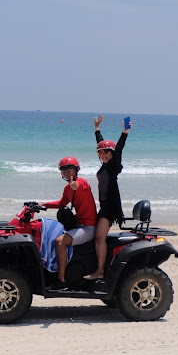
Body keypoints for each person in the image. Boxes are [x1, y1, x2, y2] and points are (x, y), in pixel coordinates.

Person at [84, 114, 132, 281]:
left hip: (110, 207)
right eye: (101, 152)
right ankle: (98, 268)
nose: (104, 155)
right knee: (96, 237)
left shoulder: (113, 167)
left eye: (106, 153)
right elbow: (103, 144)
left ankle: (100, 271)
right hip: (104, 206)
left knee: (99, 238)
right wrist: (97, 129)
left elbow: (117, 149)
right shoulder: (104, 165)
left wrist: (124, 133)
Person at [42, 157, 97, 290]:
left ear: (76, 169)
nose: (65, 171)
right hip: (78, 226)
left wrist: (75, 185)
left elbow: (80, 186)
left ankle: (61, 280)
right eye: (62, 168)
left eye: (69, 168)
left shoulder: (81, 182)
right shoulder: (67, 189)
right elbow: (61, 203)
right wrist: (43, 204)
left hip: (88, 227)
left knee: (60, 241)